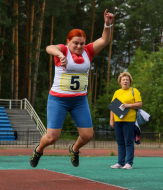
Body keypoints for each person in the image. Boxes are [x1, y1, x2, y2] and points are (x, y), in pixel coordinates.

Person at [30, 9, 114, 168]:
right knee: (52, 137)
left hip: (79, 101)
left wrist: (107, 25)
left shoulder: (88, 51)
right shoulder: (62, 50)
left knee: (88, 136)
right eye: (75, 43)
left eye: (82, 43)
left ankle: (74, 149)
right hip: (58, 100)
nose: (79, 46)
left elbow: (104, 40)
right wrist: (60, 55)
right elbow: (49, 47)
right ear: (68, 42)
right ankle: (39, 149)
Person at [110, 72, 142, 169]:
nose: (125, 81)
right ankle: (120, 162)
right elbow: (112, 107)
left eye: (127, 80)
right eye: (123, 80)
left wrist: (129, 105)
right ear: (120, 82)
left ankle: (129, 163)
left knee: (128, 141)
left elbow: (139, 104)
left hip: (129, 120)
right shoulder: (117, 92)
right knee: (120, 142)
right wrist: (111, 120)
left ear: (130, 82)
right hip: (118, 120)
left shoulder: (134, 91)